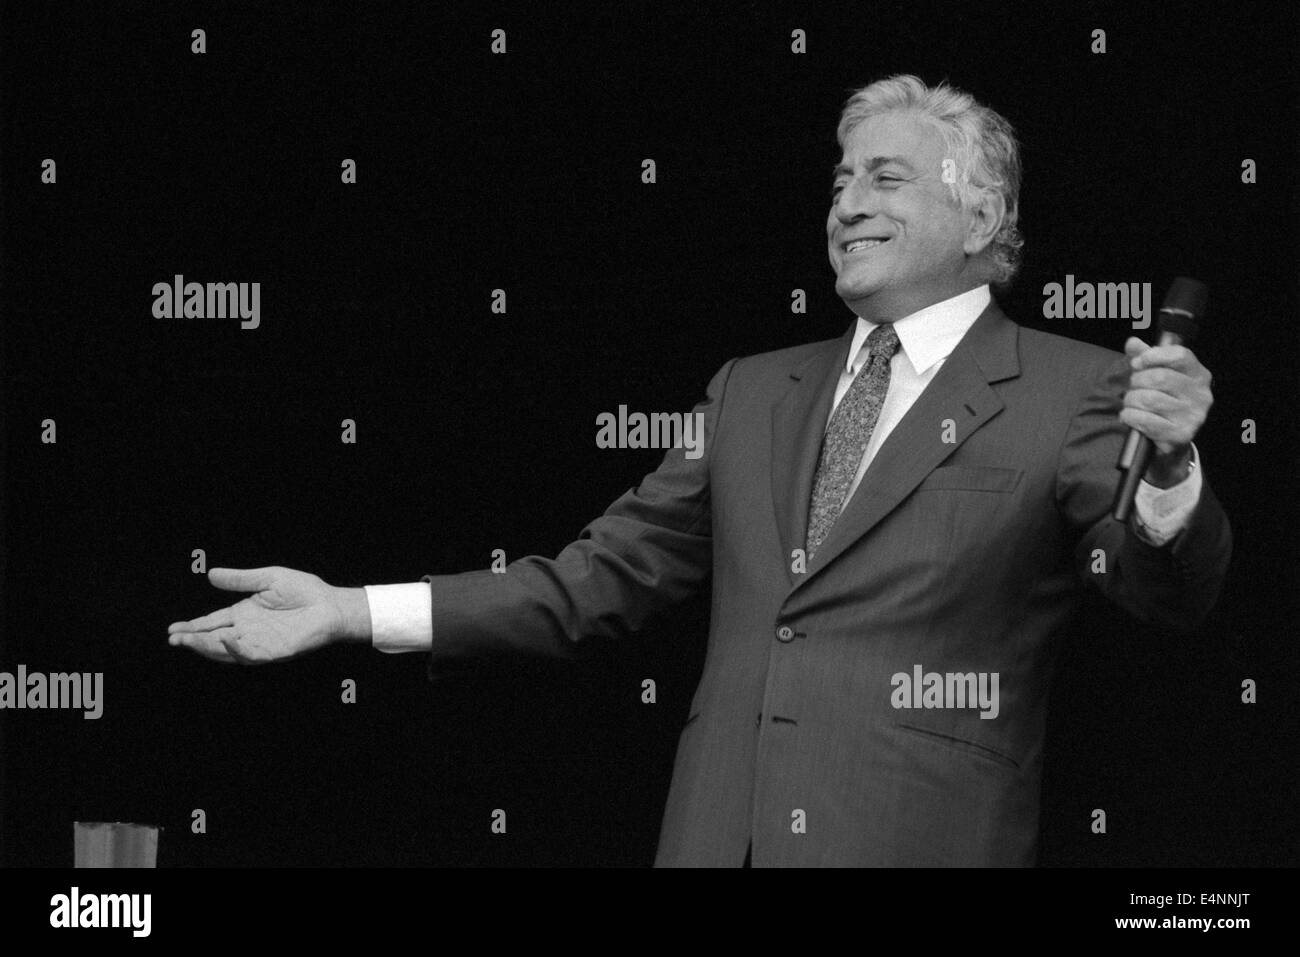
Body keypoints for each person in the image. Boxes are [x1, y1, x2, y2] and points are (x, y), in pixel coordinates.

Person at [168, 75, 1231, 866]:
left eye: (886, 176)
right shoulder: (749, 390)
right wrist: (352, 611)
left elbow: (1156, 590)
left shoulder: (1074, 387)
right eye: (839, 178)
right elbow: (596, 579)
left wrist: (1173, 467)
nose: (847, 201)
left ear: (985, 216)